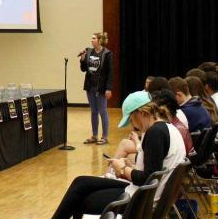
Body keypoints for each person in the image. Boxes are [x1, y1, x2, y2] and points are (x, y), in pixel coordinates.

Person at [52, 91, 186, 219]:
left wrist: (122, 169)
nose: (132, 124)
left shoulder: (155, 133)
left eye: (131, 119)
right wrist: (130, 166)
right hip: (146, 194)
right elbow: (154, 170)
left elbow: (147, 178)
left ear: (141, 113)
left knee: (78, 200)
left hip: (142, 199)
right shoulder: (168, 128)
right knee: (81, 182)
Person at [80, 32, 113, 145]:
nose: (91, 40)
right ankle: (94, 136)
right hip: (90, 86)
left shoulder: (107, 54)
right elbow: (83, 69)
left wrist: (108, 88)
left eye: (93, 38)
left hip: (101, 87)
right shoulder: (89, 51)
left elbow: (110, 73)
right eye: (91, 38)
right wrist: (83, 59)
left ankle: (104, 137)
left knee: (102, 112)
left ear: (99, 40)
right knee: (94, 111)